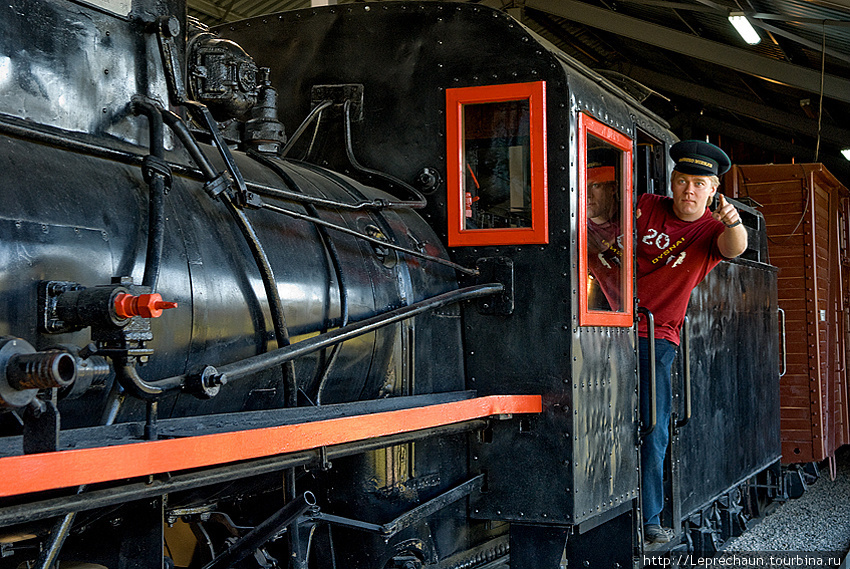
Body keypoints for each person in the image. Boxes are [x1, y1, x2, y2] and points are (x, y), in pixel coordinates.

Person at [636, 140, 748, 544]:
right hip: (607, 327)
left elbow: (736, 248)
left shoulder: (713, 231)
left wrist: (734, 222)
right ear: (671, 181)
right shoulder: (647, 204)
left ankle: (650, 516)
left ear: (713, 190)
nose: (688, 190)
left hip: (657, 337)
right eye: (682, 181)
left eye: (699, 184)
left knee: (654, 425)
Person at [586, 147, 624, 311]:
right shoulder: (576, 231)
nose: (587, 194)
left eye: (595, 185)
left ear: (613, 188)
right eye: (583, 185)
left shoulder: (636, 221)